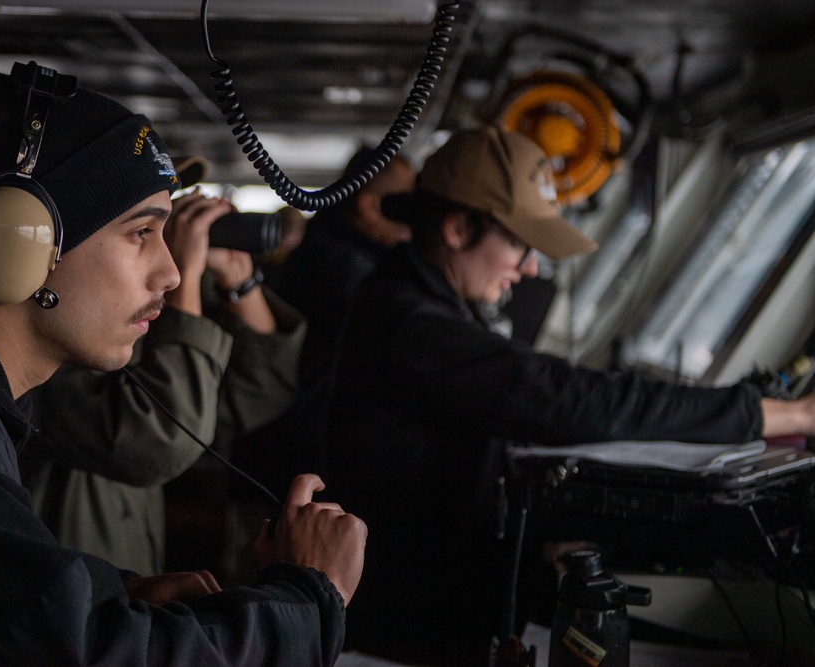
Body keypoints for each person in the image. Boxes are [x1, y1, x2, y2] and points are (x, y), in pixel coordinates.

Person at [0, 61, 365, 665]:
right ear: (19, 243)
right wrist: (310, 599)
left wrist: (114, 594)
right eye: (140, 234)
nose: (174, 272)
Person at [322, 124, 815, 666]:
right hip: (407, 628)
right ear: (459, 229)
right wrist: (785, 413)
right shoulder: (409, 324)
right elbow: (566, 399)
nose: (529, 268)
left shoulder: (414, 297)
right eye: (518, 244)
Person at [20, 156, 307, 577]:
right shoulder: (45, 355)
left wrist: (239, 280)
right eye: (141, 231)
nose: (167, 269)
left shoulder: (114, 334)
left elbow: (258, 392)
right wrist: (186, 277)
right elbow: (163, 436)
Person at [237, 148, 417, 499]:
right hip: (290, 467)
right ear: (369, 207)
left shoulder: (325, 248)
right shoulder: (344, 269)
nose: (414, 219)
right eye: (406, 204)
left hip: (277, 458)